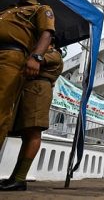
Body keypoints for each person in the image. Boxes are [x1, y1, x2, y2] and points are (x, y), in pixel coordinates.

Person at [0, 0, 54, 149]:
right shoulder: (8, 10)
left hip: (11, 57)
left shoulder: (41, 10)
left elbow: (46, 34)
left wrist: (36, 57)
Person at [0, 43, 63, 191]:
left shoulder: (54, 54)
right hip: (28, 90)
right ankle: (15, 177)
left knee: (33, 132)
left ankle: (20, 179)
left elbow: (33, 61)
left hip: (38, 90)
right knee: (26, 135)